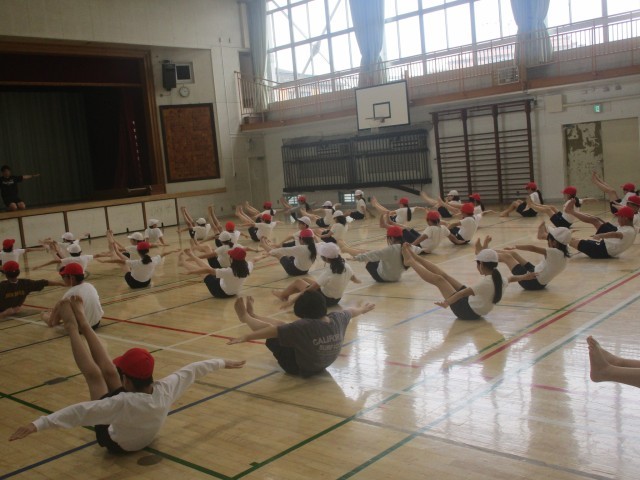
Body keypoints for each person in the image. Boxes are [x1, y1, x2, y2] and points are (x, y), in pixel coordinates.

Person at [9, 295, 245, 452]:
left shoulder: (120, 403)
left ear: (128, 381)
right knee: (109, 372)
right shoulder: (165, 389)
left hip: (118, 445)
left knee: (95, 376)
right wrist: (224, 362)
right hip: (141, 427)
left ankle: (74, 327)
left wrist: (38, 424)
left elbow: (81, 412)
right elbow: (194, 370)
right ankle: (83, 322)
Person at [227, 293, 374, 377]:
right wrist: (362, 309)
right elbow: (351, 311)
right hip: (324, 363)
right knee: (284, 326)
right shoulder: (337, 318)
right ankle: (253, 315)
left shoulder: (304, 326)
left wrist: (246, 337)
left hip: (299, 368)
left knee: (274, 330)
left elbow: (273, 331)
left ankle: (245, 318)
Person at [402, 244, 529, 320]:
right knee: (445, 276)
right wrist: (525, 276)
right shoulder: (498, 278)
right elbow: (511, 278)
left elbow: (462, 294)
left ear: (481, 264)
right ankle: (416, 257)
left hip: (466, 312)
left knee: (439, 280)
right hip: (471, 306)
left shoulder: (487, 282)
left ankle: (411, 262)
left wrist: (447, 302)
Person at [482, 224, 571, 290]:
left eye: (549, 239)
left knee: (507, 257)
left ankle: (485, 255)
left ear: (554, 242)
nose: (547, 241)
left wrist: (516, 246)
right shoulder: (565, 250)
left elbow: (532, 248)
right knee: (513, 253)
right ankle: (489, 251)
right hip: (537, 276)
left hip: (532, 282)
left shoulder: (554, 253)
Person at [272, 242, 360, 307]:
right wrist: (358, 281)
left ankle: (282, 295)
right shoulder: (346, 266)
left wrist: (291, 302)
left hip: (325, 301)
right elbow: (354, 278)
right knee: (305, 280)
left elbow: (309, 290)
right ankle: (285, 294)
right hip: (336, 299)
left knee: (298, 282)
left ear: (326, 258)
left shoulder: (329, 272)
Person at [41, 263, 103, 329]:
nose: (63, 278)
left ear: (72, 278)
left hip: (83, 329)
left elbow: (53, 323)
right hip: (96, 323)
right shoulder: (90, 286)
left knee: (55, 309)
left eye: (63, 276)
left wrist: (44, 315)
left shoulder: (71, 293)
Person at [566, 203, 637, 259]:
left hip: (601, 250)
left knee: (569, 240)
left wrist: (600, 235)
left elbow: (615, 234)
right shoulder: (629, 228)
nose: (617, 219)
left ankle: (559, 242)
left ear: (625, 218)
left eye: (619, 217)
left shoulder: (628, 231)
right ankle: (571, 211)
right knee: (575, 240)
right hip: (604, 247)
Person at [0, 261, 65, 319]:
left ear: (5, 274)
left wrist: (61, 284)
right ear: (18, 272)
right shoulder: (25, 283)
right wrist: (4, 313)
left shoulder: (25, 283)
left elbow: (43, 282)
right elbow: (44, 282)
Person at [179, 247, 252, 298]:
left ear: (232, 258)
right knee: (210, 270)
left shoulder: (229, 271)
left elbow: (208, 270)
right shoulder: (248, 267)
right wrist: (259, 256)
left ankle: (183, 263)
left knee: (204, 273)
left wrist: (191, 272)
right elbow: (254, 260)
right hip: (233, 292)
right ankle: (192, 256)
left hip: (219, 292)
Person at [101, 241, 177, 289]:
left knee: (125, 266)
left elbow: (119, 260)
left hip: (134, 285)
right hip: (146, 283)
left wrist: (105, 261)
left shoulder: (136, 262)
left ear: (138, 251)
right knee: (128, 263)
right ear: (148, 250)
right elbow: (163, 254)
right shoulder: (153, 260)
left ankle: (117, 253)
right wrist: (173, 250)